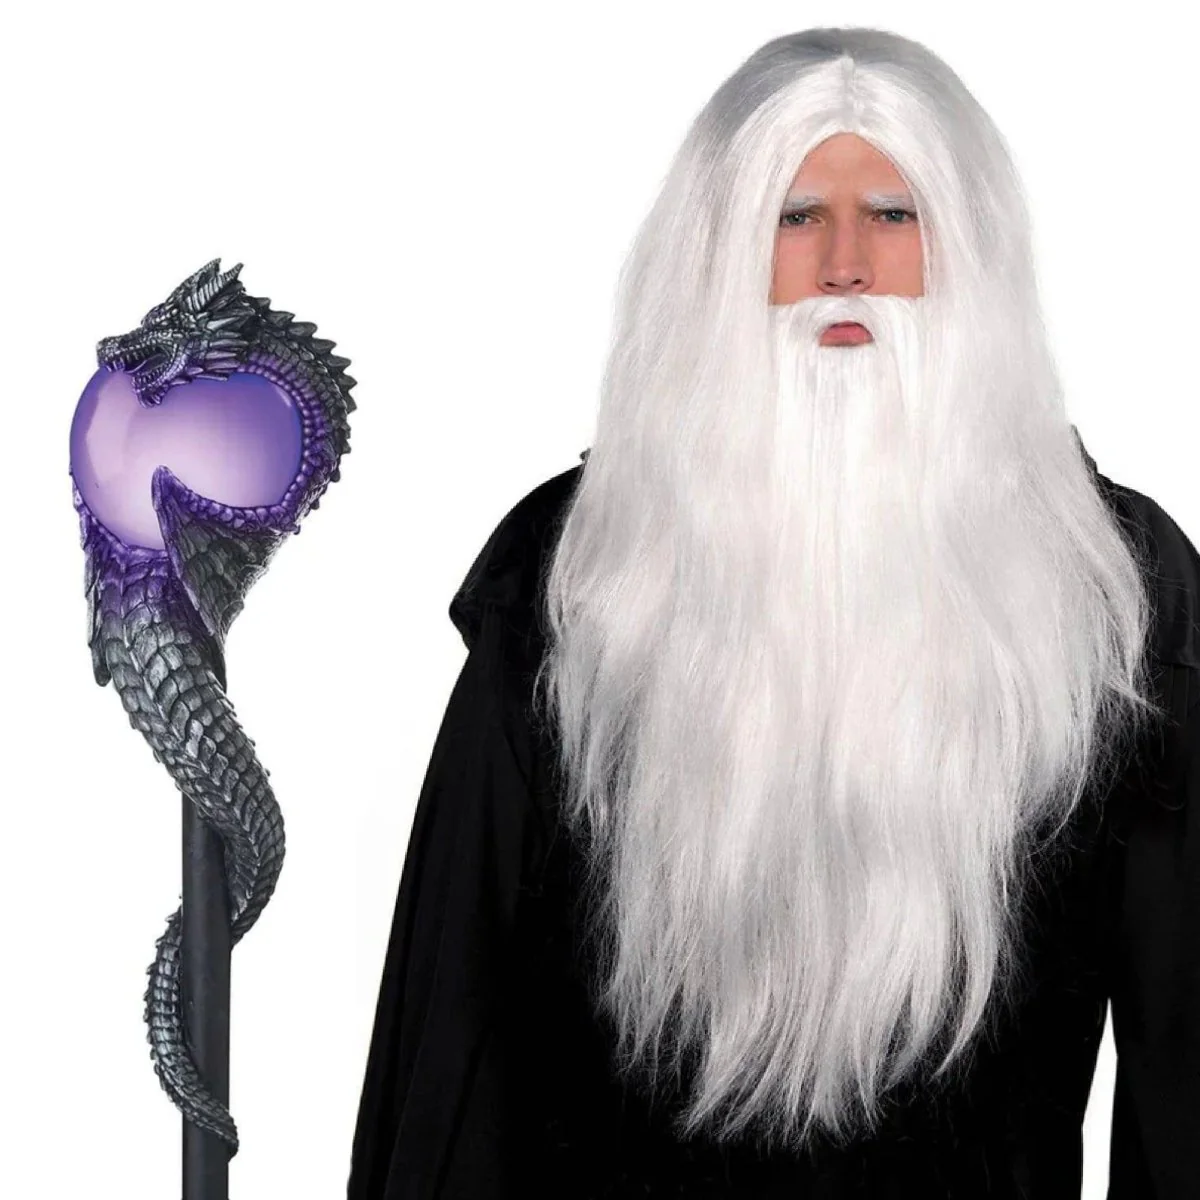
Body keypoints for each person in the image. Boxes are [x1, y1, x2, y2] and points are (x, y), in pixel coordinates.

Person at [347, 26, 1200, 1199]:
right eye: (797, 216)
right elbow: (460, 1026)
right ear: (719, 250)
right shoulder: (581, 574)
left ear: (968, 246)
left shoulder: (1111, 584)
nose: (846, 264)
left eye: (892, 214)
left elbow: (1185, 1045)